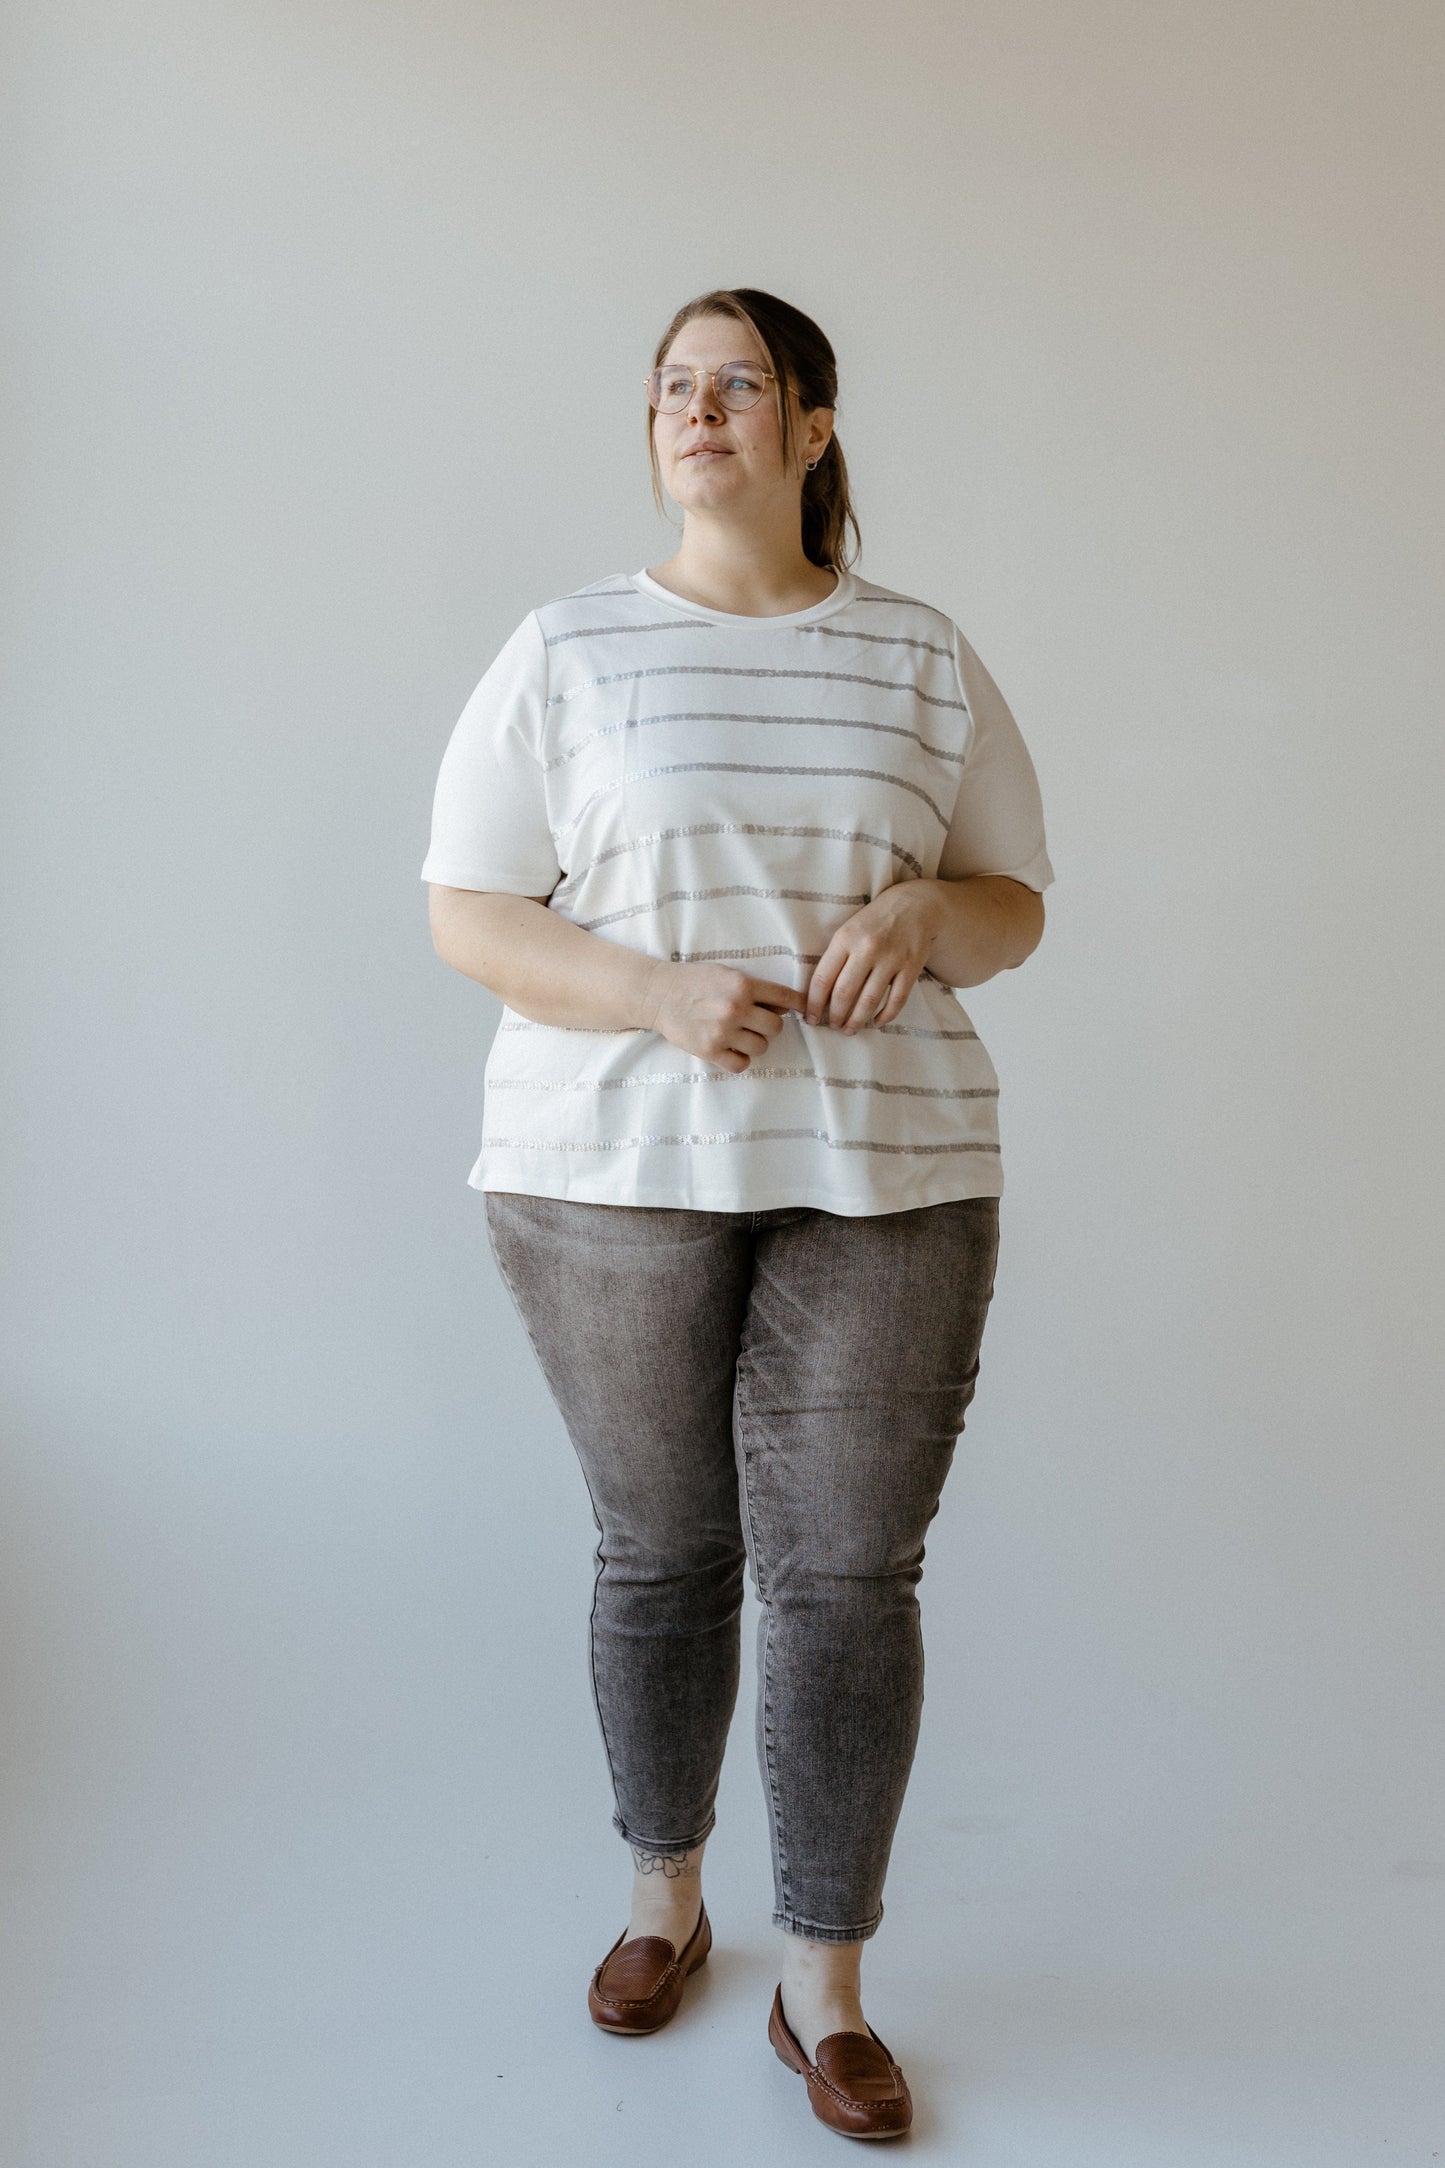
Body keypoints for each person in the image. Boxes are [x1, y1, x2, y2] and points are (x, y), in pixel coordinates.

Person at [421, 287, 1054, 2141]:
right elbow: (468, 909)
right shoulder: (567, 650)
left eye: (738, 386)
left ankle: (824, 1987)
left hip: (889, 1180)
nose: (699, 413)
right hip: (604, 1175)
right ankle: (661, 1906)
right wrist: (650, 996)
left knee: (848, 1578)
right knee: (660, 1552)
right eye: (671, 391)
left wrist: (930, 920)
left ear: (814, 423)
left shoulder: (917, 654)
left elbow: (1011, 896)